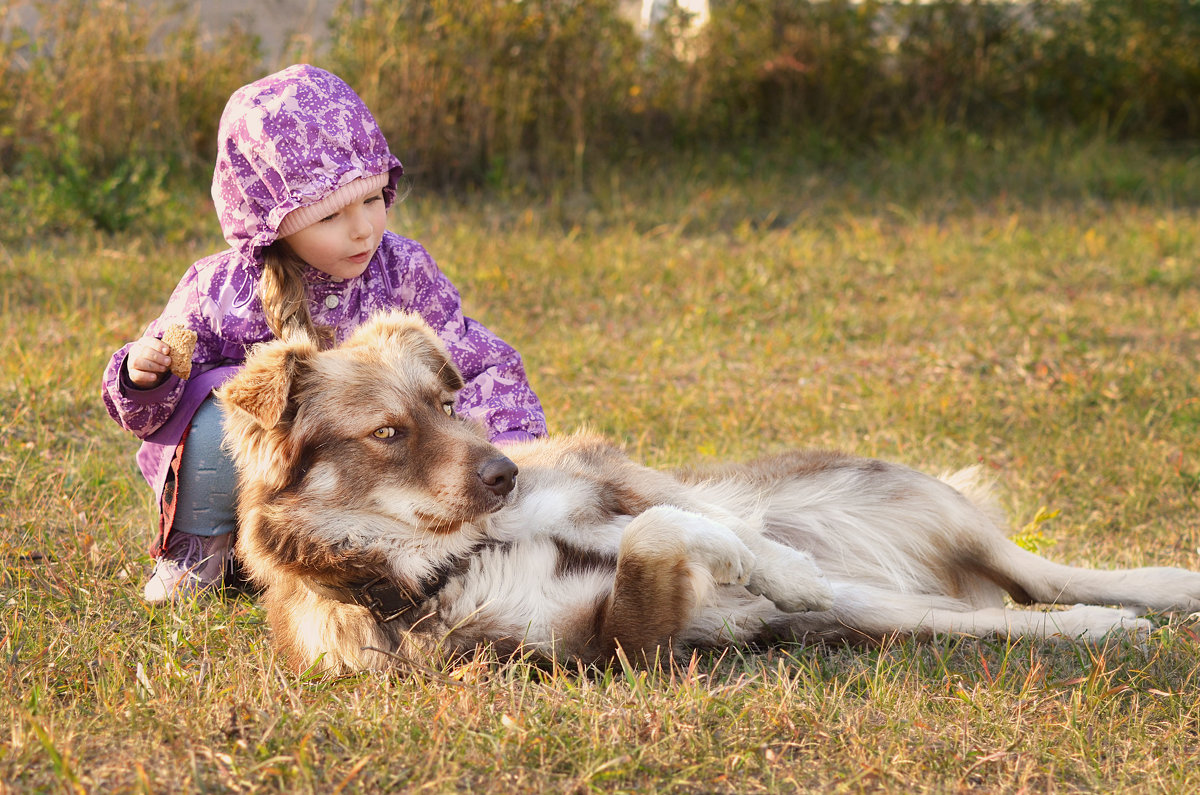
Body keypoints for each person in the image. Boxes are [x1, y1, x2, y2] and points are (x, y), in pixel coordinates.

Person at [101, 64, 547, 604]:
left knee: (419, 408)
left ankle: (383, 550)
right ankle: (202, 550)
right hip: (259, 479)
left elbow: (473, 360)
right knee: (220, 414)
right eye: (332, 215)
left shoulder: (401, 268)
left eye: (373, 199)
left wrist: (511, 448)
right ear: (274, 221)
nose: (362, 229)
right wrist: (141, 376)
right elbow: (149, 414)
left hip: (365, 488)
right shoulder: (220, 288)